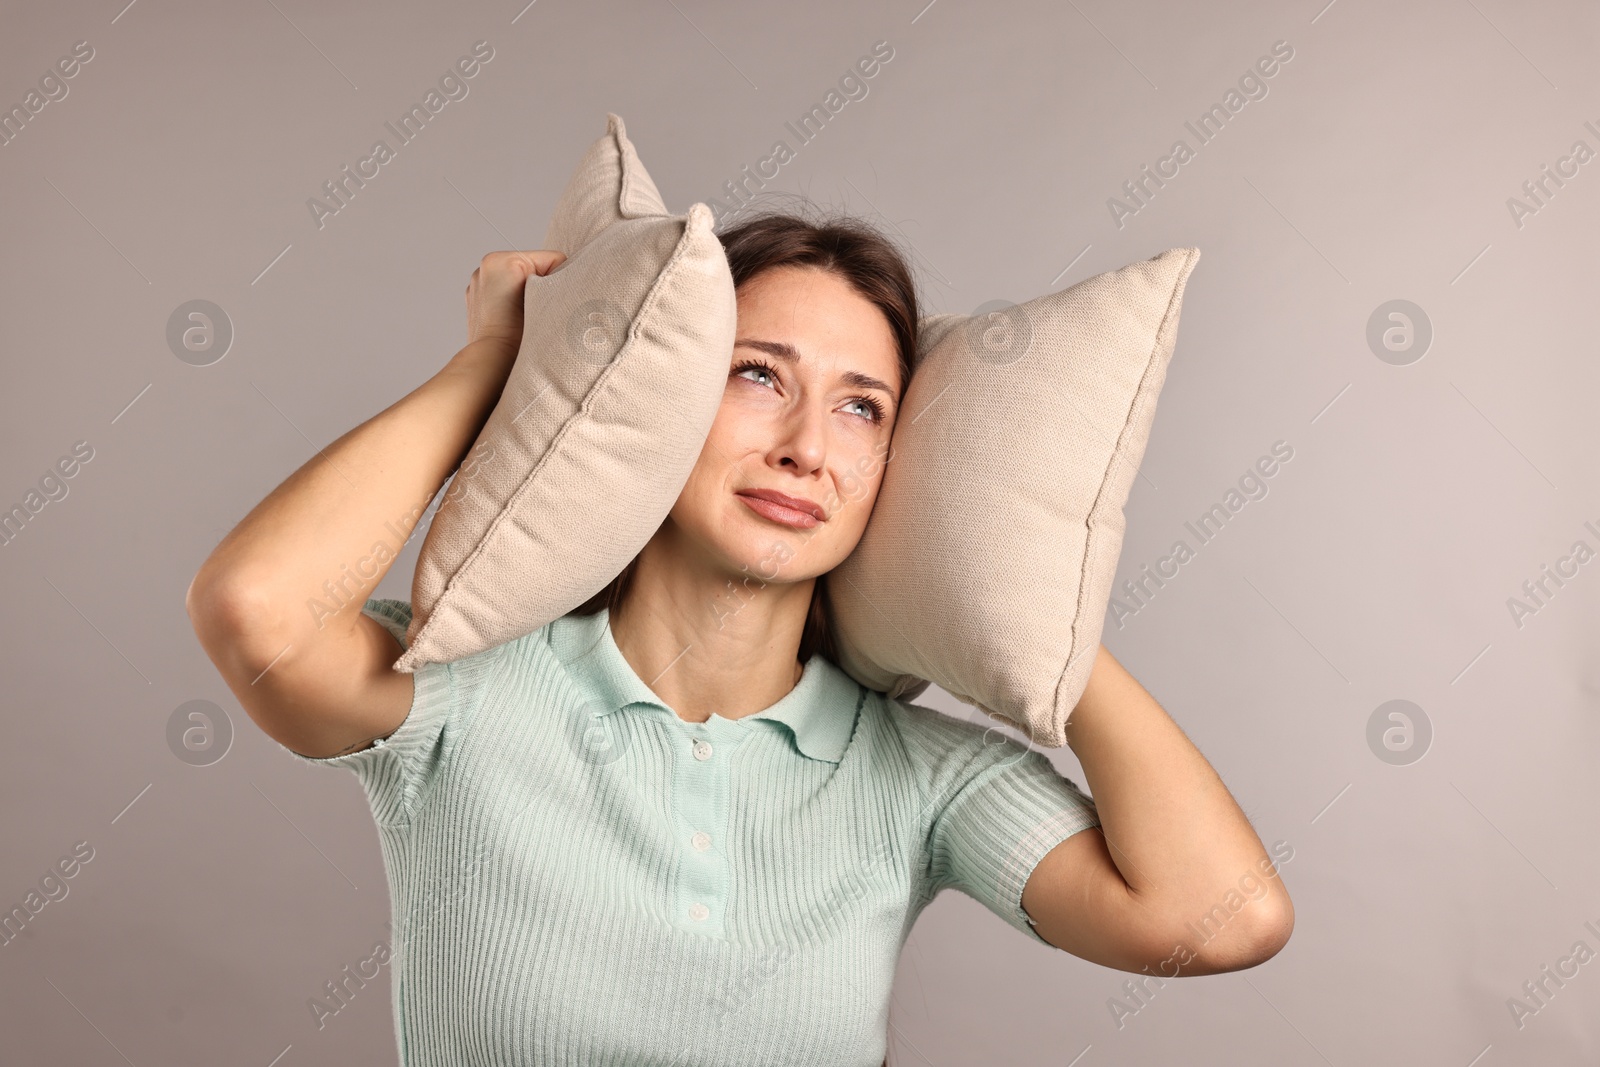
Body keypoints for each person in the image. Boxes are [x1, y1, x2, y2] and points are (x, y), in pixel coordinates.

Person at [186, 209, 1293, 1065]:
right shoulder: (466, 688)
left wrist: (1021, 582)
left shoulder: (917, 776)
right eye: (757, 375)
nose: (808, 446)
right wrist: (504, 362)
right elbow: (259, 610)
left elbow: (1223, 917)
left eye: (862, 406)